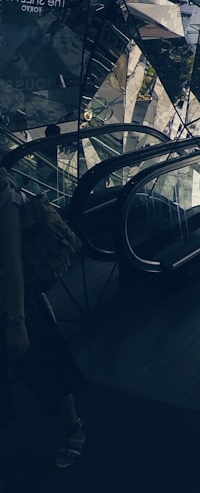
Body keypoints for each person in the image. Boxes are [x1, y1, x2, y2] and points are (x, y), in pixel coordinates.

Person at [0, 168, 89, 474]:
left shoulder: (1, 188)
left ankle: (73, 427)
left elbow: (11, 260)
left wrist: (16, 320)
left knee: (47, 365)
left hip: (15, 301)